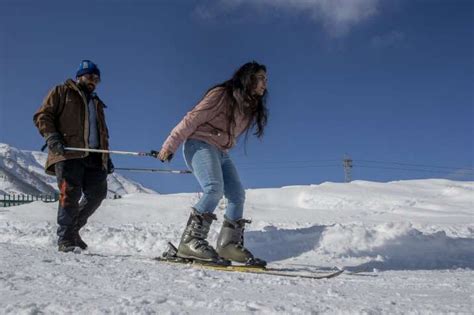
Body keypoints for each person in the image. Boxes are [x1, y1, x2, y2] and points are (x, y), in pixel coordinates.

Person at [158, 61, 268, 266]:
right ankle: (190, 241)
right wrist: (169, 146)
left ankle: (228, 245)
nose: (265, 84)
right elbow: (192, 119)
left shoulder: (248, 107)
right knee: (214, 188)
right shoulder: (222, 94)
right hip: (198, 143)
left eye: (266, 79)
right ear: (248, 78)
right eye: (261, 78)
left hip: (220, 151)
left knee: (237, 195)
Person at [33, 60, 114, 252]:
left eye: (96, 78)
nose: (93, 81)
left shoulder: (97, 103)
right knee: (70, 194)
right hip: (68, 152)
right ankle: (66, 239)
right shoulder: (61, 92)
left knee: (97, 194)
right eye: (89, 76)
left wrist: (106, 157)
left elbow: (103, 133)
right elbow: (42, 116)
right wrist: (52, 137)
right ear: (79, 76)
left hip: (94, 156)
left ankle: (73, 230)